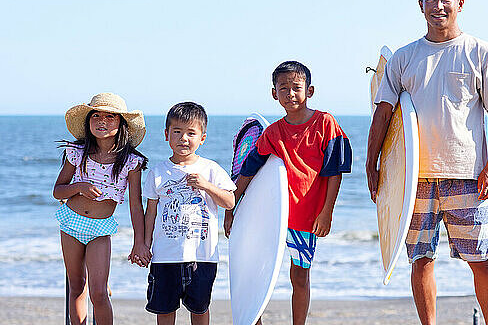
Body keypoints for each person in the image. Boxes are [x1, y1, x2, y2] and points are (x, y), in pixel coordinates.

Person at [366, 0, 488, 325]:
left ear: (460, 3)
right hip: (413, 179)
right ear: (420, 5)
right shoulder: (404, 57)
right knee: (420, 259)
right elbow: (384, 114)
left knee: (482, 260)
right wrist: (375, 165)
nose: (438, 5)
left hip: (467, 175)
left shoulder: (480, 51)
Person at [223, 61, 352, 325]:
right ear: (274, 94)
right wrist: (231, 207)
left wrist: (327, 212)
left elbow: (334, 171)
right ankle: (253, 320)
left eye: (296, 87)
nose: (290, 94)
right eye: (284, 88)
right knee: (257, 271)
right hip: (270, 215)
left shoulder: (325, 123)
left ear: (310, 90)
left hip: (306, 218)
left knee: (300, 276)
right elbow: (248, 171)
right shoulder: (273, 132)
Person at [53, 92, 150, 325]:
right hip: (70, 223)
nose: (102, 121)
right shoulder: (76, 152)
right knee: (77, 285)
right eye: (96, 115)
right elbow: (58, 191)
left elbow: (136, 206)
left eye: (110, 117)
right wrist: (79, 187)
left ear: (122, 123)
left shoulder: (131, 161)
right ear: (88, 121)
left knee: (98, 292)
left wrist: (140, 242)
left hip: (100, 229)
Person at [141, 102, 236, 325]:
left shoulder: (210, 169)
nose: (184, 138)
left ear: (202, 137)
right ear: (167, 135)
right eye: (177, 132)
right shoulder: (157, 173)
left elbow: (229, 202)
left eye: (191, 133)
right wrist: (145, 244)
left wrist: (206, 186)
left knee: (200, 308)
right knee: (164, 310)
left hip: (202, 256)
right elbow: (150, 212)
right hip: (165, 255)